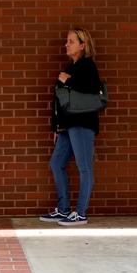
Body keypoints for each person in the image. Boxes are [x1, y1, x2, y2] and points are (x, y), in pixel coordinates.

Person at [40, 28, 102, 226]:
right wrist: (56, 127)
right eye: (67, 41)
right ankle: (64, 208)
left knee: (84, 167)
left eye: (71, 41)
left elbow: (93, 89)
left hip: (82, 124)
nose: (66, 44)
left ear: (83, 45)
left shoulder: (87, 66)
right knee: (56, 163)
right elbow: (59, 102)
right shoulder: (70, 67)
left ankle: (81, 213)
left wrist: (70, 81)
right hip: (67, 126)